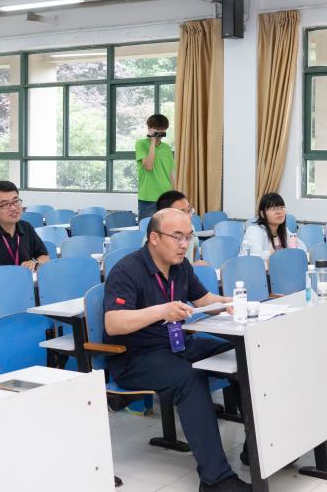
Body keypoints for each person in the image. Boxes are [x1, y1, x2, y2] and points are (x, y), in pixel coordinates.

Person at [104, 208, 251, 492]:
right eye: (177, 237)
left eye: (188, 237)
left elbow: (203, 299)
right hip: (136, 357)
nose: (185, 244)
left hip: (177, 344)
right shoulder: (127, 270)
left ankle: (254, 447)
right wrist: (161, 311)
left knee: (236, 355)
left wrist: (229, 303)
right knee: (189, 378)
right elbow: (113, 323)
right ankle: (216, 479)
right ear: (154, 238)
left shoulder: (181, 266)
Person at [240, 193, 306, 259]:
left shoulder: (284, 231)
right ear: (262, 214)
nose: (279, 212)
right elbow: (254, 256)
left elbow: (302, 249)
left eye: (282, 208)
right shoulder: (254, 231)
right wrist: (272, 253)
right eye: (274, 208)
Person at [136, 113, 176, 221]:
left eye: (163, 130)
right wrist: (152, 142)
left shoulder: (166, 148)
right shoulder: (141, 144)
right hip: (148, 197)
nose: (160, 134)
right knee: (147, 229)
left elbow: (170, 174)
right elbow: (148, 166)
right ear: (150, 129)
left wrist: (175, 195)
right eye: (158, 130)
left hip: (166, 197)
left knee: (167, 229)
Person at [156, 189, 202, 263]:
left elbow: (191, 257)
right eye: (181, 212)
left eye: (189, 210)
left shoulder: (190, 228)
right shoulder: (157, 237)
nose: (188, 216)